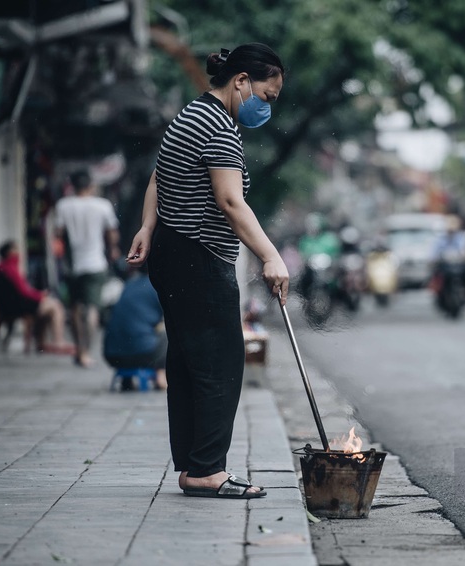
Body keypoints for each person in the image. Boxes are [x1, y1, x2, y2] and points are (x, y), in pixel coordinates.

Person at [126, 43, 289, 499]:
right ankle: (206, 471)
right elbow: (231, 201)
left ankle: (194, 466)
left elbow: (160, 176)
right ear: (240, 82)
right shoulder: (218, 126)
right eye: (267, 96)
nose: (266, 107)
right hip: (197, 256)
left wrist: (147, 227)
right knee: (219, 362)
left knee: (187, 361)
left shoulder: (191, 115)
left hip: (173, 252)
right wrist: (270, 255)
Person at [55, 170, 120, 368]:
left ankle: (78, 349)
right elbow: (112, 234)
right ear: (91, 186)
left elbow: (58, 233)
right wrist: (113, 250)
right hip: (95, 263)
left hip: (73, 265)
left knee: (75, 307)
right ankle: (86, 351)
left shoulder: (64, 205)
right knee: (92, 308)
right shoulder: (102, 205)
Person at [0, 241, 74, 354]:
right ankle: (58, 341)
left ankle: (41, 342)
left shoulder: (1, 268)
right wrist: (41, 295)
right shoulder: (10, 268)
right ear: (10, 252)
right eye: (16, 249)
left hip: (12, 305)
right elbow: (23, 290)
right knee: (55, 306)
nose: (19, 253)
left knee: (48, 306)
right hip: (21, 306)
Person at [103, 265, 167, 391]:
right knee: (169, 335)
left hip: (112, 355)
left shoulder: (130, 284)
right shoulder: (157, 285)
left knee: (135, 332)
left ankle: (126, 381)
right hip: (142, 353)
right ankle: (162, 374)